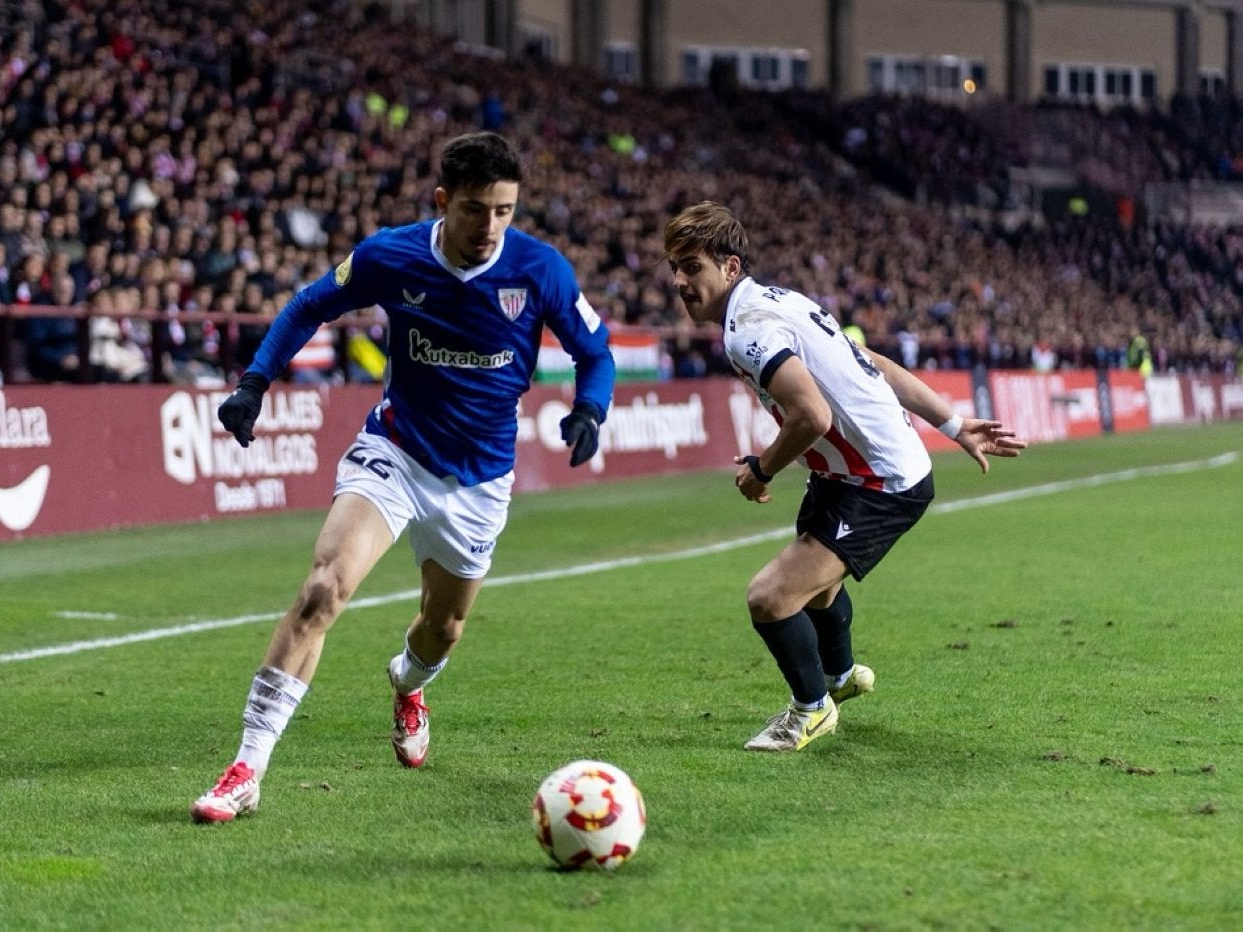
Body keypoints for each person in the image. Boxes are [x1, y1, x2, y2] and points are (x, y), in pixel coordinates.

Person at [191, 132, 616, 823]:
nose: (491, 228)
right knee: (321, 592)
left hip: (479, 481)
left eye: (505, 210)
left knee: (443, 629)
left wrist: (590, 412)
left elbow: (594, 352)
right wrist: (254, 382)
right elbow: (307, 305)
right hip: (396, 452)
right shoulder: (393, 254)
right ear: (444, 201)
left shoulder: (541, 271)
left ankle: (408, 684)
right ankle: (247, 767)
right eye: (477, 209)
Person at [661, 201, 1026, 752]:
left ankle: (810, 710)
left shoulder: (749, 329)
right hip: (845, 473)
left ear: (730, 268)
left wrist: (761, 470)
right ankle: (839, 676)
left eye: (693, 267)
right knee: (817, 587)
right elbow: (869, 362)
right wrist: (952, 424)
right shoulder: (782, 300)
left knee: (770, 597)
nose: (681, 281)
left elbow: (813, 416)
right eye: (675, 268)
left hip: (880, 481)